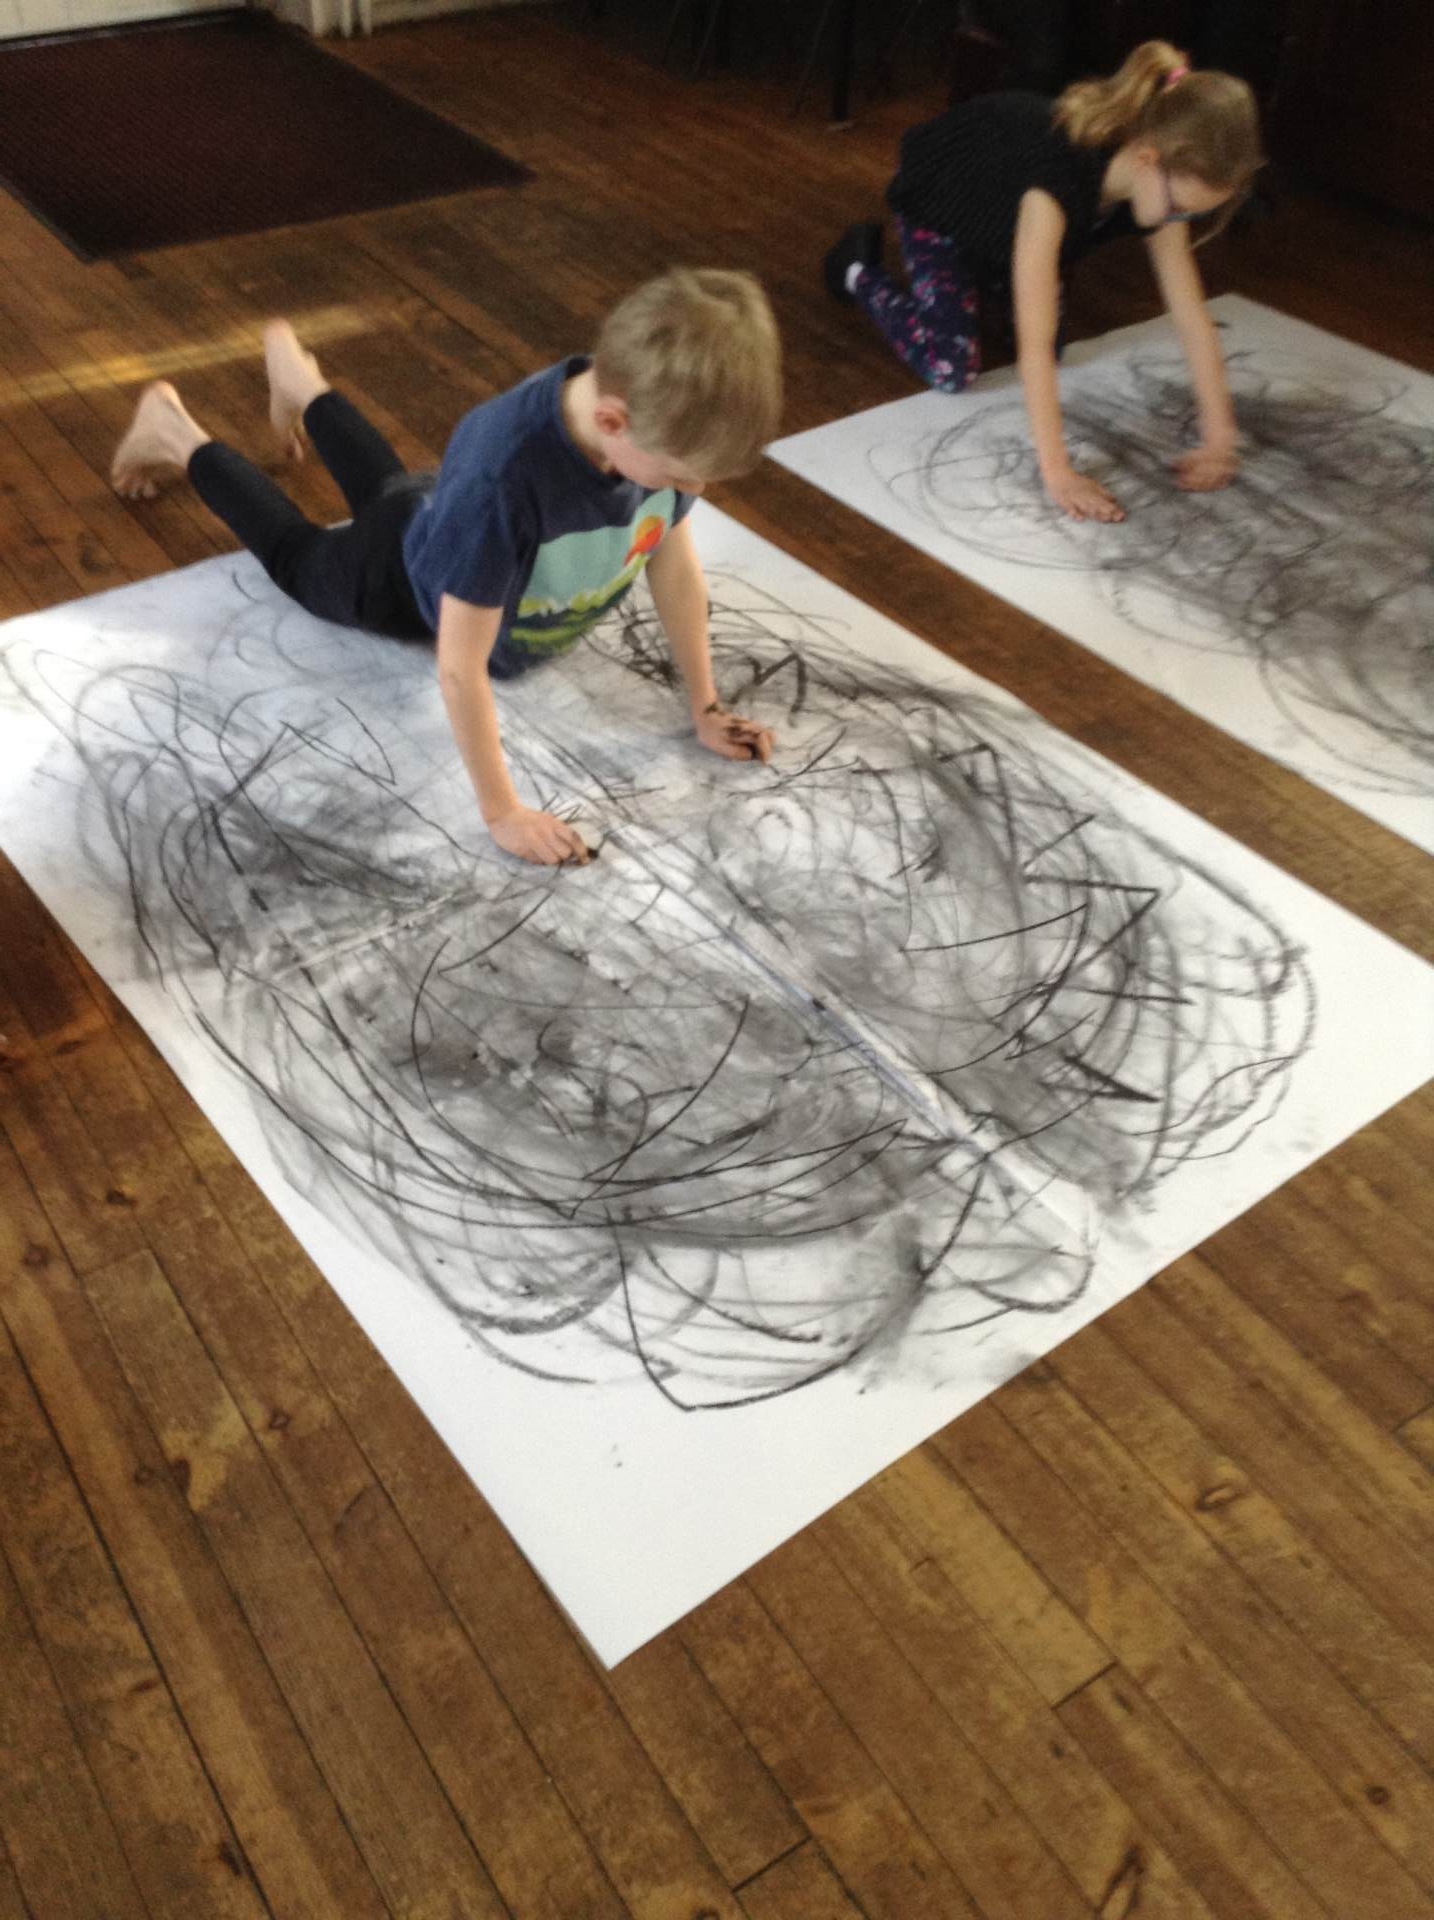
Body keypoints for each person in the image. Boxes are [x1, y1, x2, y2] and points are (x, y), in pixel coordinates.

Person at [111, 270, 783, 865]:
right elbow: (460, 666)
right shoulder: (501, 481)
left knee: (390, 493)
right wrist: (503, 814)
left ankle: (304, 387)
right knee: (298, 556)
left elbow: (670, 559)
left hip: (438, 517)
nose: (692, 489)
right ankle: (176, 432)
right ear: (612, 421)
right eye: (679, 475)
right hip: (392, 583)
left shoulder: (644, 422)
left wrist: (706, 706)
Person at [824, 41, 1262, 522]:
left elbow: (1191, 314)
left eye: (1193, 215)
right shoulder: (1055, 187)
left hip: (1007, 225)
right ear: (1147, 160)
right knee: (951, 367)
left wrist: (1220, 437)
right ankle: (856, 270)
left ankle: (989, 277)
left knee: (1051, 345)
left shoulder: (1157, 184)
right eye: (1180, 208)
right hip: (942, 202)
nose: (1181, 221)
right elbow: (1032, 346)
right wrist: (1059, 474)